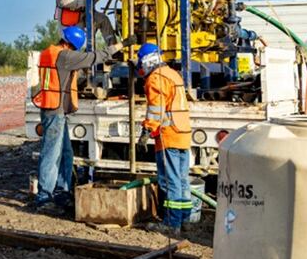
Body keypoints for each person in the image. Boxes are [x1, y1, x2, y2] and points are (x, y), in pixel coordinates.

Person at [30, 26, 125, 211]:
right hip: (54, 112)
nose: (75, 52)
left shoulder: (49, 52)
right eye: (75, 48)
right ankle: (44, 197)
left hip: (55, 110)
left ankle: (62, 192)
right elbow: (92, 58)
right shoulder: (64, 56)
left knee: (66, 154)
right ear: (70, 44)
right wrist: (118, 46)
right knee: (51, 154)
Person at [135, 43, 193, 236]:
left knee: (170, 181)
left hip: (168, 134)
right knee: (182, 179)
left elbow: (156, 110)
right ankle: (184, 218)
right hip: (183, 132)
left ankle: (171, 223)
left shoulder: (155, 79)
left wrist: (146, 131)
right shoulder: (173, 74)